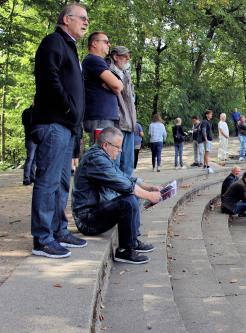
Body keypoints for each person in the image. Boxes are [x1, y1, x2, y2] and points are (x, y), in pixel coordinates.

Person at [30, 3, 88, 258]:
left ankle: (58, 230)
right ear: (67, 19)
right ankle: (42, 239)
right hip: (54, 123)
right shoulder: (53, 41)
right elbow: (48, 79)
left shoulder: (70, 47)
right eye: (82, 18)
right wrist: (68, 108)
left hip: (67, 127)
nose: (86, 22)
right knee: (48, 182)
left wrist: (75, 121)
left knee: (63, 183)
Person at [72, 127, 160, 264]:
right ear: (106, 145)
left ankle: (133, 241)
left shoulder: (101, 156)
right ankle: (125, 250)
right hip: (87, 220)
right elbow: (125, 185)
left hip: (96, 211)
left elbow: (123, 177)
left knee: (132, 196)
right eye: (118, 147)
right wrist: (150, 196)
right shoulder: (96, 160)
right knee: (128, 200)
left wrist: (150, 187)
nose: (120, 151)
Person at [82, 31, 122, 145]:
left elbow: (118, 86)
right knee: (101, 154)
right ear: (94, 43)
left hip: (104, 116)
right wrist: (115, 85)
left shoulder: (100, 62)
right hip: (100, 117)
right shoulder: (93, 60)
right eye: (105, 42)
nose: (109, 45)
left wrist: (114, 85)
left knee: (108, 154)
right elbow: (117, 85)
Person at [107, 45, 136, 176]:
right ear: (115, 57)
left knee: (128, 164)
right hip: (117, 123)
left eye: (129, 57)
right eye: (125, 56)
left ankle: (126, 193)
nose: (128, 59)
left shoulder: (126, 74)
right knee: (115, 163)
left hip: (129, 124)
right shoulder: (107, 71)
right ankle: (114, 194)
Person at [22, 104, 36, 185]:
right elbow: (26, 123)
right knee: (30, 158)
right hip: (30, 138)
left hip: (37, 138)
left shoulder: (39, 111)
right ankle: (26, 178)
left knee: (34, 160)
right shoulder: (27, 112)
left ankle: (32, 177)